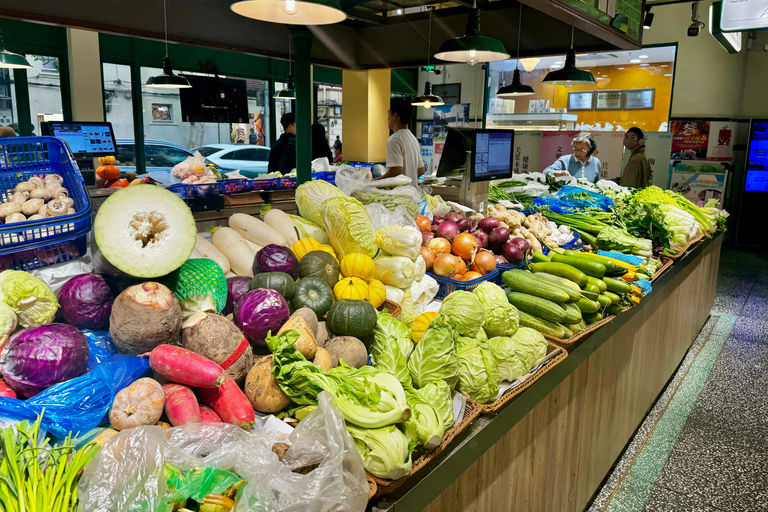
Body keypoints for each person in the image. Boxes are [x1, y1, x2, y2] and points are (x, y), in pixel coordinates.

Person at [373, 97, 425, 186]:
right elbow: (421, 170)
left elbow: (396, 171)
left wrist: (374, 181)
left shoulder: (394, 139)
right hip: (413, 193)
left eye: (389, 113)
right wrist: (409, 179)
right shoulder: (413, 138)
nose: (387, 118)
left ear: (395, 116)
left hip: (400, 195)